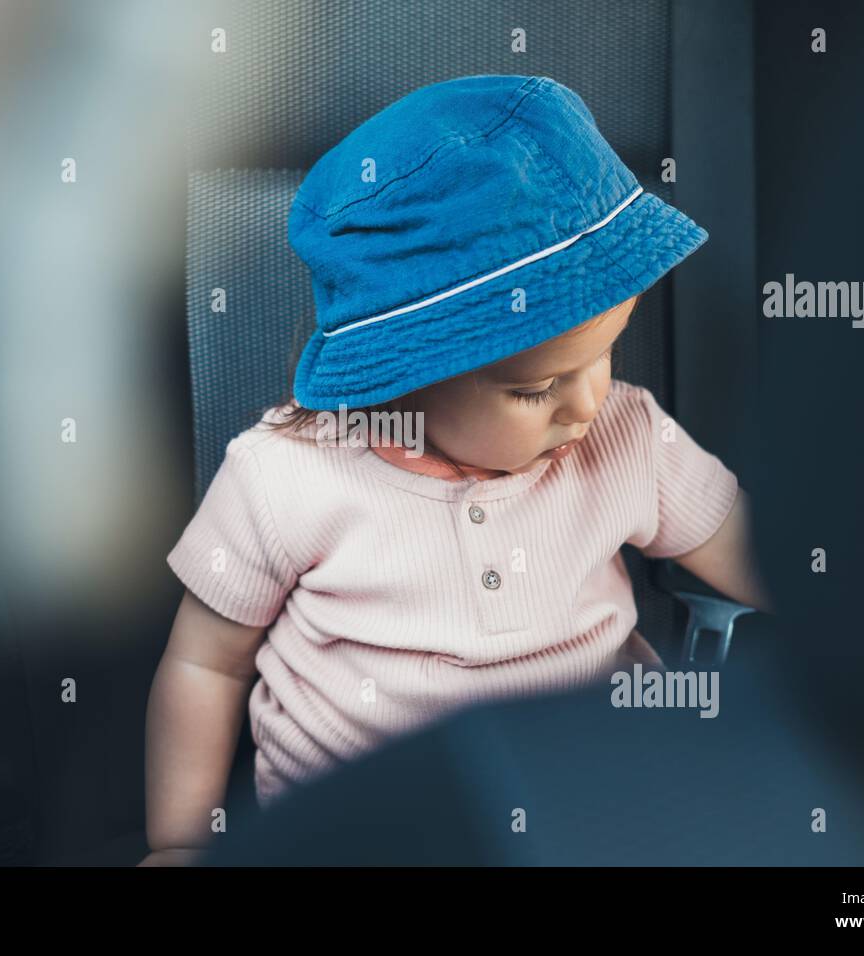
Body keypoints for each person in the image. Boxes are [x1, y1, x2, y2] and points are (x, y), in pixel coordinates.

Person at [141, 75, 770, 866]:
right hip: (364, 823)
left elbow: (749, 546)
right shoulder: (283, 478)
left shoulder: (627, 433)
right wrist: (178, 840)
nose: (588, 403)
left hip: (587, 800)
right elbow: (205, 662)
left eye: (605, 354)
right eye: (534, 389)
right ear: (397, 378)